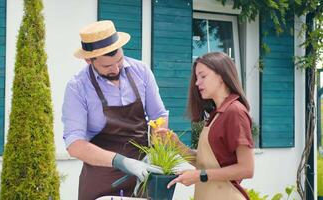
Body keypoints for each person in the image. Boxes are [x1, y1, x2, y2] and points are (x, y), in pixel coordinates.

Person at [62, 20, 168, 200]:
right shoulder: (77, 87)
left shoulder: (141, 71)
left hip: (143, 176)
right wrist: (122, 162)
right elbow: (75, 144)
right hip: (102, 179)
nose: (116, 68)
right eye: (107, 66)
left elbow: (158, 116)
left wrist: (156, 153)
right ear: (89, 60)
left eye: (119, 60)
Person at [165, 52, 254, 199]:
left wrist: (200, 176)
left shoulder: (234, 112)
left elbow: (247, 169)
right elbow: (207, 164)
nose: (196, 83)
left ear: (221, 76)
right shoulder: (216, 115)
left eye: (203, 76)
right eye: (196, 77)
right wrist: (175, 144)